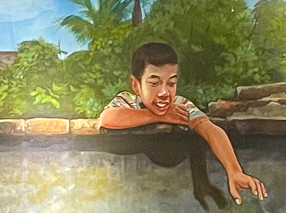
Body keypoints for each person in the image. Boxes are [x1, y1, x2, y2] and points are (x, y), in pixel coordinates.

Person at [96, 40, 266, 203]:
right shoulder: (127, 101)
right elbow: (106, 119)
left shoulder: (180, 105)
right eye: (154, 83)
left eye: (171, 83)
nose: (164, 92)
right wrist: (158, 116)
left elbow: (210, 130)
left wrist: (234, 171)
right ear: (136, 85)